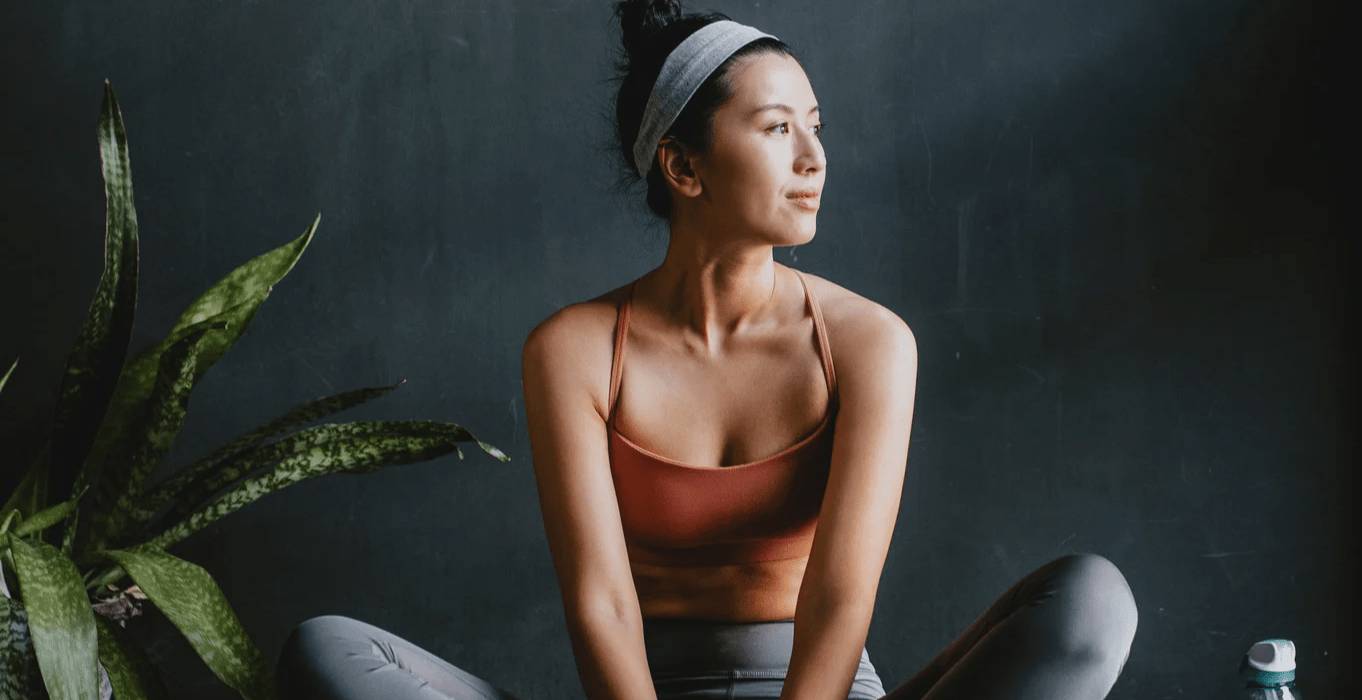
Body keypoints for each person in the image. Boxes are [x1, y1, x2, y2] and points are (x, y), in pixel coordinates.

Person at [275, 2, 1138, 698]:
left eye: (816, 126)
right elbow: (603, 606)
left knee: (1090, 603)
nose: (815, 159)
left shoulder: (869, 342)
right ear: (684, 169)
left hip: (821, 696)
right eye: (775, 130)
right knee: (327, 650)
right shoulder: (573, 350)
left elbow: (839, 600)